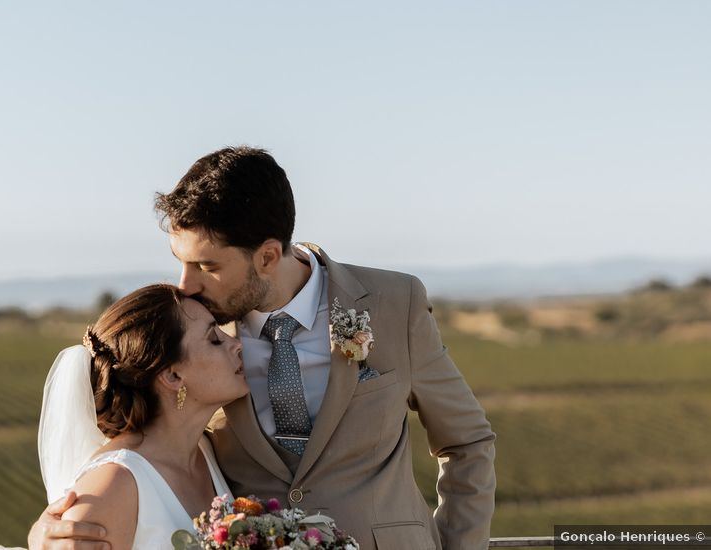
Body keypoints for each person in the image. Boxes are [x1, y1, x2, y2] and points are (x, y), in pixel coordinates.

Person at [29, 147, 496, 550]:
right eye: (180, 261)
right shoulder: (194, 337)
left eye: (206, 265)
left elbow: (467, 441)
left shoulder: (395, 302)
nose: (184, 285)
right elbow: (139, 448)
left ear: (268, 256)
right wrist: (52, 527)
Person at [34, 284, 247, 550]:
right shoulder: (113, 486)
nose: (236, 344)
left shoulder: (206, 450)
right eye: (214, 339)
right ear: (172, 376)